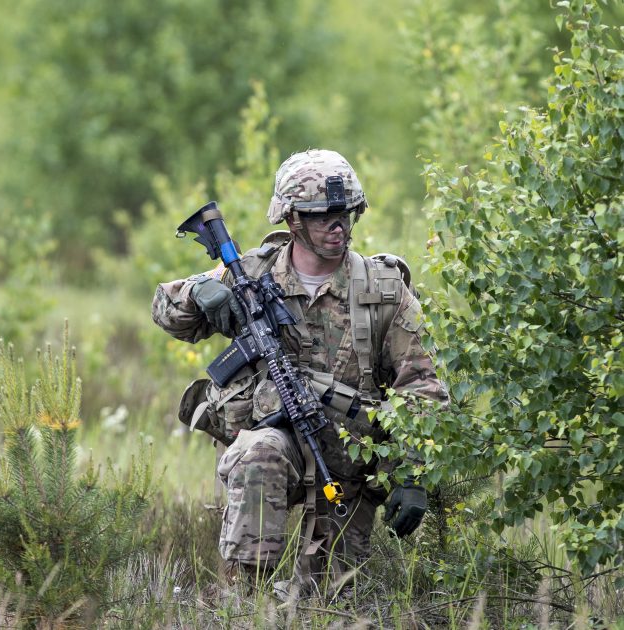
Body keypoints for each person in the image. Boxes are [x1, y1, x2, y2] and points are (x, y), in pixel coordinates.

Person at [151, 149, 449, 597]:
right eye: (322, 216)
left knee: (326, 600)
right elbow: (166, 311)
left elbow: (423, 389)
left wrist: (413, 475)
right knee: (261, 452)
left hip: (349, 467)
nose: (338, 226)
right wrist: (199, 293)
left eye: (345, 214)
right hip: (274, 447)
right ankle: (243, 601)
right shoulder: (252, 273)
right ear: (292, 219)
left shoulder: (384, 291)